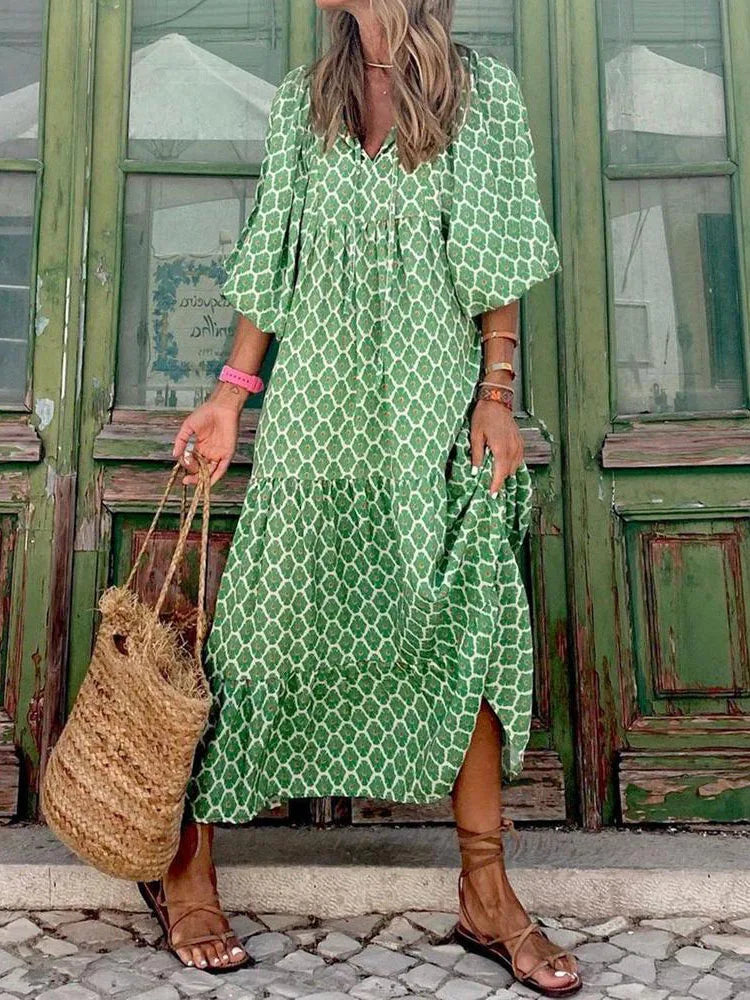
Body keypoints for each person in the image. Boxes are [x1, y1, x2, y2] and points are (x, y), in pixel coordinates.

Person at [139, 1, 581, 995]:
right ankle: (186, 861)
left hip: (430, 413)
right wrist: (228, 397)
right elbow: (274, 259)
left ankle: (485, 889)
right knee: (262, 632)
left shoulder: (482, 94)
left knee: (461, 622)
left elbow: (498, 255)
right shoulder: (308, 100)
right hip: (314, 419)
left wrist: (497, 394)